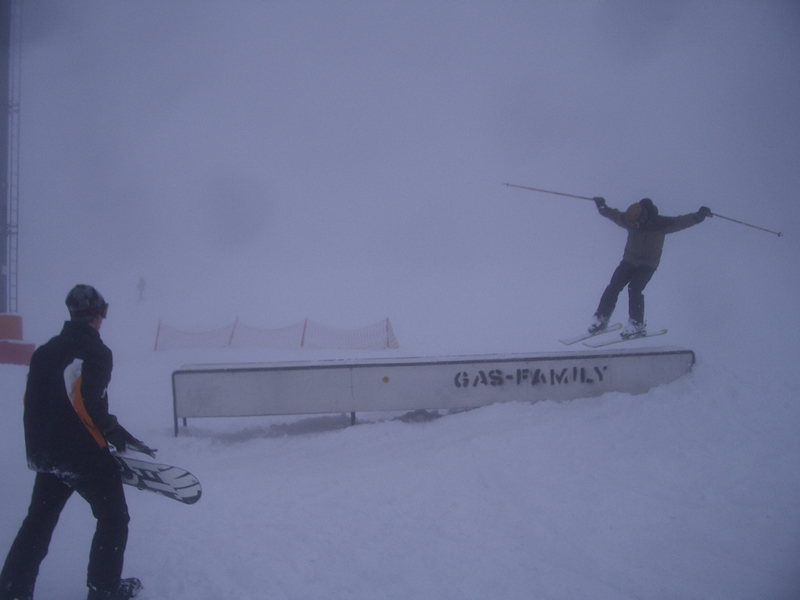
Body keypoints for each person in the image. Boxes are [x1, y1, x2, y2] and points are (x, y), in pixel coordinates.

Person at [0, 285, 154, 600]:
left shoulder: (45, 352)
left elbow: (32, 401)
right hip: (81, 455)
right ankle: (104, 590)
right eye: (103, 313)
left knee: (39, 520)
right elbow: (89, 404)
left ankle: (12, 589)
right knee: (113, 517)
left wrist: (42, 449)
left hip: (47, 453)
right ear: (97, 315)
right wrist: (116, 436)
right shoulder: (95, 351)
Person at [588, 197, 712, 338]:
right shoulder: (628, 220)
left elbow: (681, 222)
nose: (633, 226)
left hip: (647, 264)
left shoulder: (660, 224)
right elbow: (615, 215)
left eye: (635, 223)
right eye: (631, 224)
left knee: (634, 288)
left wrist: (698, 216)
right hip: (629, 261)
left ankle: (636, 324)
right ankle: (601, 319)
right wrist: (603, 208)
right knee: (613, 286)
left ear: (643, 218)